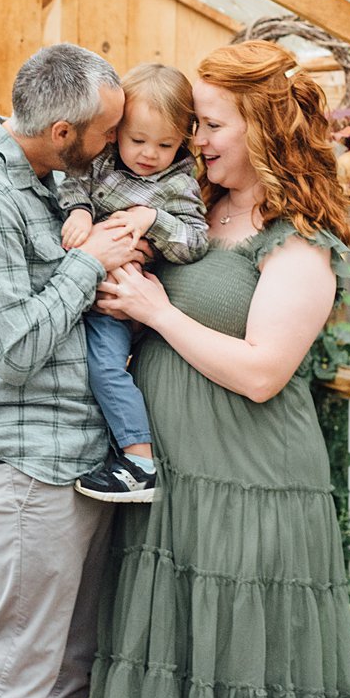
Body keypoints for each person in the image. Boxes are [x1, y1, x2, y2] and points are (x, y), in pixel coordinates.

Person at [89, 40, 350, 698]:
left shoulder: (297, 239)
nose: (196, 138)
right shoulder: (198, 208)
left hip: (248, 490)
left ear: (261, 128)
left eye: (212, 124)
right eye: (197, 123)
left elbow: (264, 370)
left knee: (237, 668)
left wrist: (155, 310)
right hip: (177, 489)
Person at [0, 43, 145, 698]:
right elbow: (15, 349)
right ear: (63, 133)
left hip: (81, 462)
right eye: (107, 132)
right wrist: (91, 263)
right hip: (27, 469)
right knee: (21, 676)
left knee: (71, 672)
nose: (113, 143)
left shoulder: (55, 177)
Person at [58, 63, 208, 504]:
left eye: (165, 143)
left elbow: (195, 242)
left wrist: (153, 220)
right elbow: (72, 185)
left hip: (116, 297)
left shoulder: (178, 184)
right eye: (137, 140)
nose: (148, 154)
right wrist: (80, 212)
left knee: (105, 368)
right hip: (76, 289)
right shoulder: (101, 162)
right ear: (116, 131)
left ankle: (139, 462)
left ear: (184, 137)